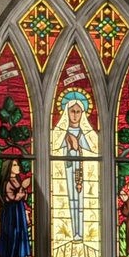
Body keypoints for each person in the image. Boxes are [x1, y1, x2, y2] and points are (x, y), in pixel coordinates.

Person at [50, 89, 97, 243]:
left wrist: (79, 148)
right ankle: (69, 234)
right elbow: (53, 149)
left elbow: (95, 151)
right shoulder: (59, 133)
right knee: (70, 200)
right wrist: (68, 147)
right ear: (66, 112)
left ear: (82, 113)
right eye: (72, 111)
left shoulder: (86, 133)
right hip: (66, 171)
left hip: (83, 173)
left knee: (81, 203)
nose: (75, 115)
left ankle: (81, 233)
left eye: (78, 111)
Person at [0, 157, 32, 257]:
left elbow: (22, 196)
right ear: (9, 168)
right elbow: (11, 197)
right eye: (15, 165)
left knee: (19, 233)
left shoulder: (17, 180)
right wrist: (21, 192)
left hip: (19, 210)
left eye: (17, 165)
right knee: (10, 233)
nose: (18, 167)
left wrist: (23, 192)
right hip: (10, 213)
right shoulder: (7, 182)